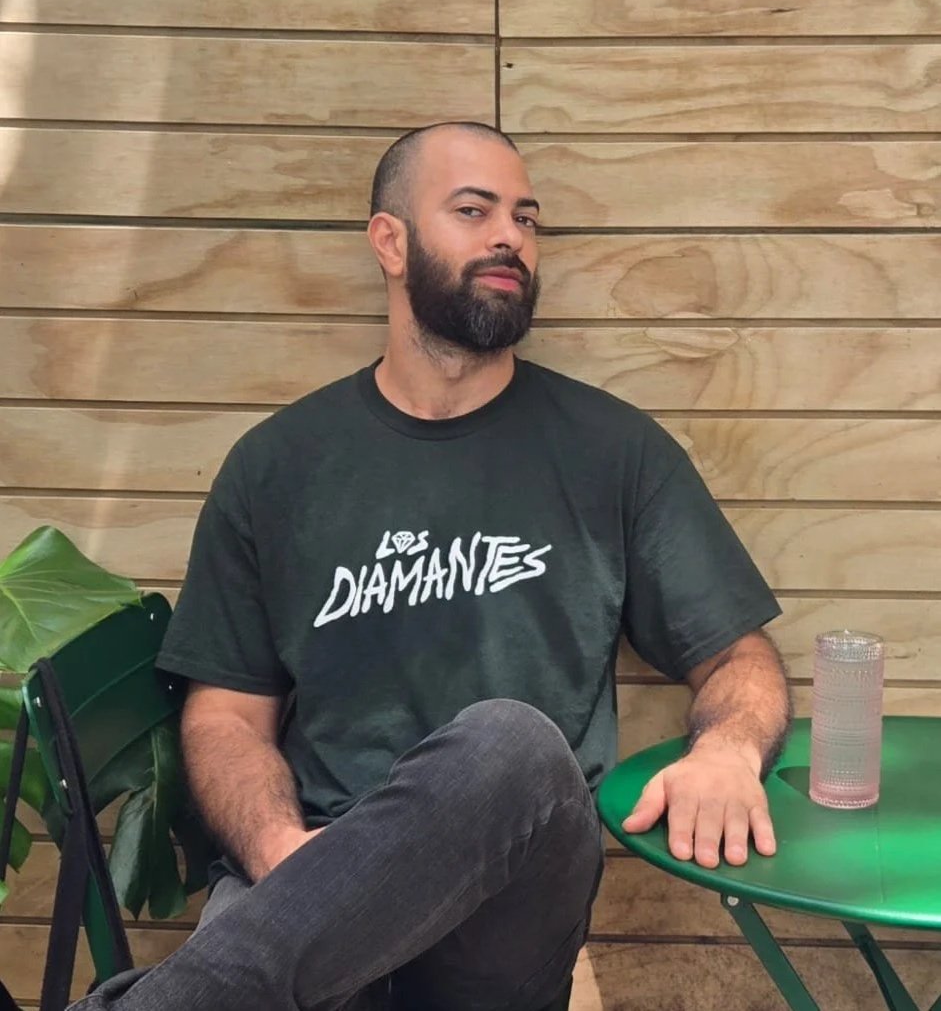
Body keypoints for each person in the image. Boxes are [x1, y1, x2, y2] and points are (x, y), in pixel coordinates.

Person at [69, 121, 790, 1011]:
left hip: (506, 904)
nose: (509, 238)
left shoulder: (612, 453)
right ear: (389, 240)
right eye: (472, 210)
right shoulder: (278, 465)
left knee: (513, 745)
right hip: (310, 864)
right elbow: (227, 718)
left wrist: (727, 750)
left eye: (525, 219)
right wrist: (283, 858)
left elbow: (738, 657)